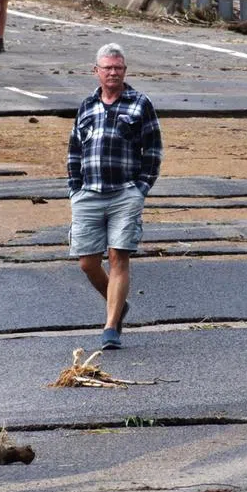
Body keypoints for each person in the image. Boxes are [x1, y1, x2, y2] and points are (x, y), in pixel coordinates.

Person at [66, 43, 163, 351]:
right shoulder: (87, 106)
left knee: (119, 256)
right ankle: (118, 304)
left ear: (125, 71)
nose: (112, 73)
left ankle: (111, 328)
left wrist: (142, 187)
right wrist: (75, 187)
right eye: (107, 68)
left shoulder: (139, 103)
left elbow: (154, 149)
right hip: (89, 193)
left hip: (125, 193)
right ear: (96, 71)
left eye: (118, 68)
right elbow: (74, 150)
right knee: (87, 262)